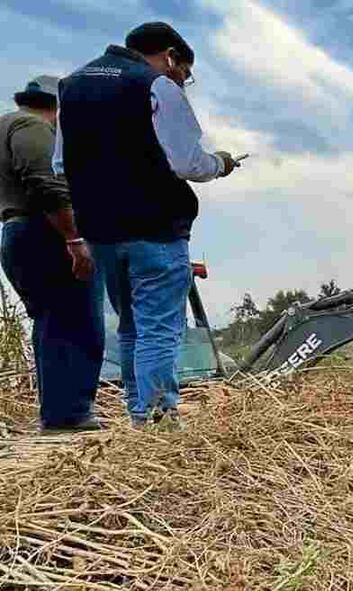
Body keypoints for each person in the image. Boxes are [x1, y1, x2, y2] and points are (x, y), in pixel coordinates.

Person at [54, 22, 240, 426]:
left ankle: (139, 415)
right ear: (170, 56)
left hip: (101, 231)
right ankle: (159, 420)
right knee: (159, 328)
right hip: (155, 229)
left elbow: (59, 164)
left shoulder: (71, 86)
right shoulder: (155, 85)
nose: (182, 81)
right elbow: (186, 162)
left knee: (131, 328)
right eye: (184, 72)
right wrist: (220, 164)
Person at [0, 76, 104, 433]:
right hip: (47, 234)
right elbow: (45, 183)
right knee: (78, 322)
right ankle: (70, 415)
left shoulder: (4, 126)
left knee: (51, 323)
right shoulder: (31, 126)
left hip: (17, 231)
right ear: (59, 105)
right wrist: (74, 238)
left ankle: (59, 412)